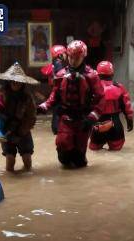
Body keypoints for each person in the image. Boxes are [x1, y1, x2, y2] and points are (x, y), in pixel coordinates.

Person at [38, 40, 104, 168]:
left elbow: (100, 98)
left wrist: (92, 117)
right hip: (66, 117)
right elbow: (55, 94)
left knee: (79, 158)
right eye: (71, 57)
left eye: (77, 58)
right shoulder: (61, 74)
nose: (73, 60)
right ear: (67, 56)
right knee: (63, 148)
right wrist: (44, 106)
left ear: (83, 57)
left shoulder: (92, 75)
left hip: (84, 118)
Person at [0, 62, 39, 172]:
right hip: (6, 130)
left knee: (27, 160)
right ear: (9, 81)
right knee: (10, 160)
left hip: (22, 131)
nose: (16, 83)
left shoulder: (27, 97)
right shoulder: (1, 93)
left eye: (18, 81)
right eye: (13, 81)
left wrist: (21, 131)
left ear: (22, 83)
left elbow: (31, 117)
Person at [89, 61, 134, 151]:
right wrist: (129, 120)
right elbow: (127, 106)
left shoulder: (93, 89)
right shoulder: (119, 87)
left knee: (94, 148)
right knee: (116, 149)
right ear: (112, 74)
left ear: (98, 74)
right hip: (115, 123)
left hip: (98, 123)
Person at [40, 45, 68, 134]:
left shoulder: (54, 63)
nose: (66, 55)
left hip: (55, 88)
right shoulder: (59, 64)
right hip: (59, 89)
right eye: (64, 53)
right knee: (58, 108)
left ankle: (55, 127)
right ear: (59, 55)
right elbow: (61, 76)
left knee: (56, 109)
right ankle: (56, 128)